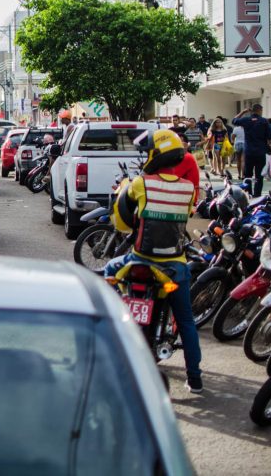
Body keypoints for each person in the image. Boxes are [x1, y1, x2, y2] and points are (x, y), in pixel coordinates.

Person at [105, 128, 202, 393]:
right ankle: (195, 378)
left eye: (149, 152)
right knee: (186, 321)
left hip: (140, 261)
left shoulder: (140, 183)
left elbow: (122, 221)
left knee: (110, 269)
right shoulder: (188, 191)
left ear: (156, 155)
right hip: (174, 267)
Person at [233, 104, 271, 197]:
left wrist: (243, 112)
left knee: (248, 176)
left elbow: (234, 120)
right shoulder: (264, 121)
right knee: (259, 176)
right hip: (260, 152)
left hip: (249, 152)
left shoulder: (246, 120)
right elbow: (270, 137)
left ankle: (248, 194)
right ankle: (257, 195)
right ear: (260, 110)